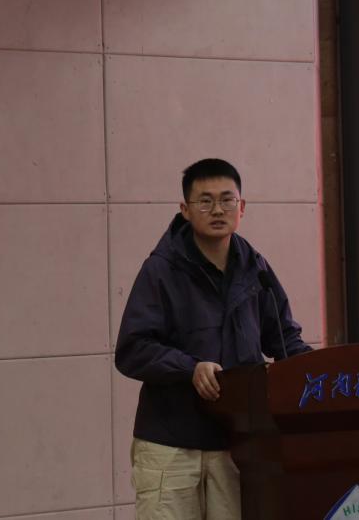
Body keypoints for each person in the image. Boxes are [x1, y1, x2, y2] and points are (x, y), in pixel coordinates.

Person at [115, 158, 312, 520]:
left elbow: (285, 340)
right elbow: (133, 349)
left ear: (242, 206)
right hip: (171, 444)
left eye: (227, 200)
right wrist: (190, 369)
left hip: (237, 443)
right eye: (205, 201)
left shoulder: (255, 268)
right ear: (185, 210)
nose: (218, 210)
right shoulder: (161, 270)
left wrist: (319, 375)